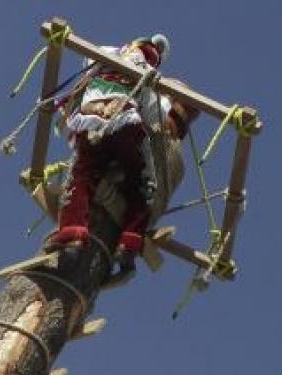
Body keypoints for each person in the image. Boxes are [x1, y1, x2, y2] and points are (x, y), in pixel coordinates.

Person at [45, 34, 196, 271]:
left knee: (81, 176)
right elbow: (155, 114)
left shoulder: (108, 55)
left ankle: (72, 235)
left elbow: (88, 59)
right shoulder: (148, 74)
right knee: (142, 185)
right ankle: (129, 243)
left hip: (89, 120)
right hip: (125, 124)